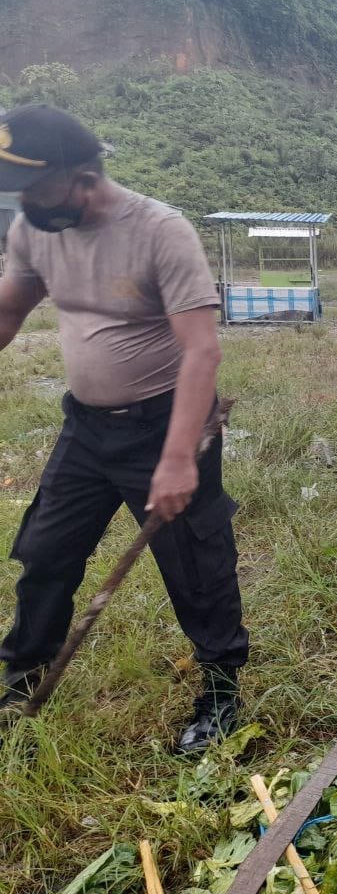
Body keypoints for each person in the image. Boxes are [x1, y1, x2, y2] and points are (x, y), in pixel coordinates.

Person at [0, 105, 247, 753]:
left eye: (34, 187)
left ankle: (221, 693)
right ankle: (21, 676)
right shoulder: (35, 227)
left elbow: (201, 351)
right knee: (46, 553)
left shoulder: (160, 231)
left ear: (82, 178)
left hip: (167, 422)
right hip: (86, 428)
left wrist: (177, 459)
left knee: (197, 563)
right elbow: (8, 311)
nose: (24, 201)